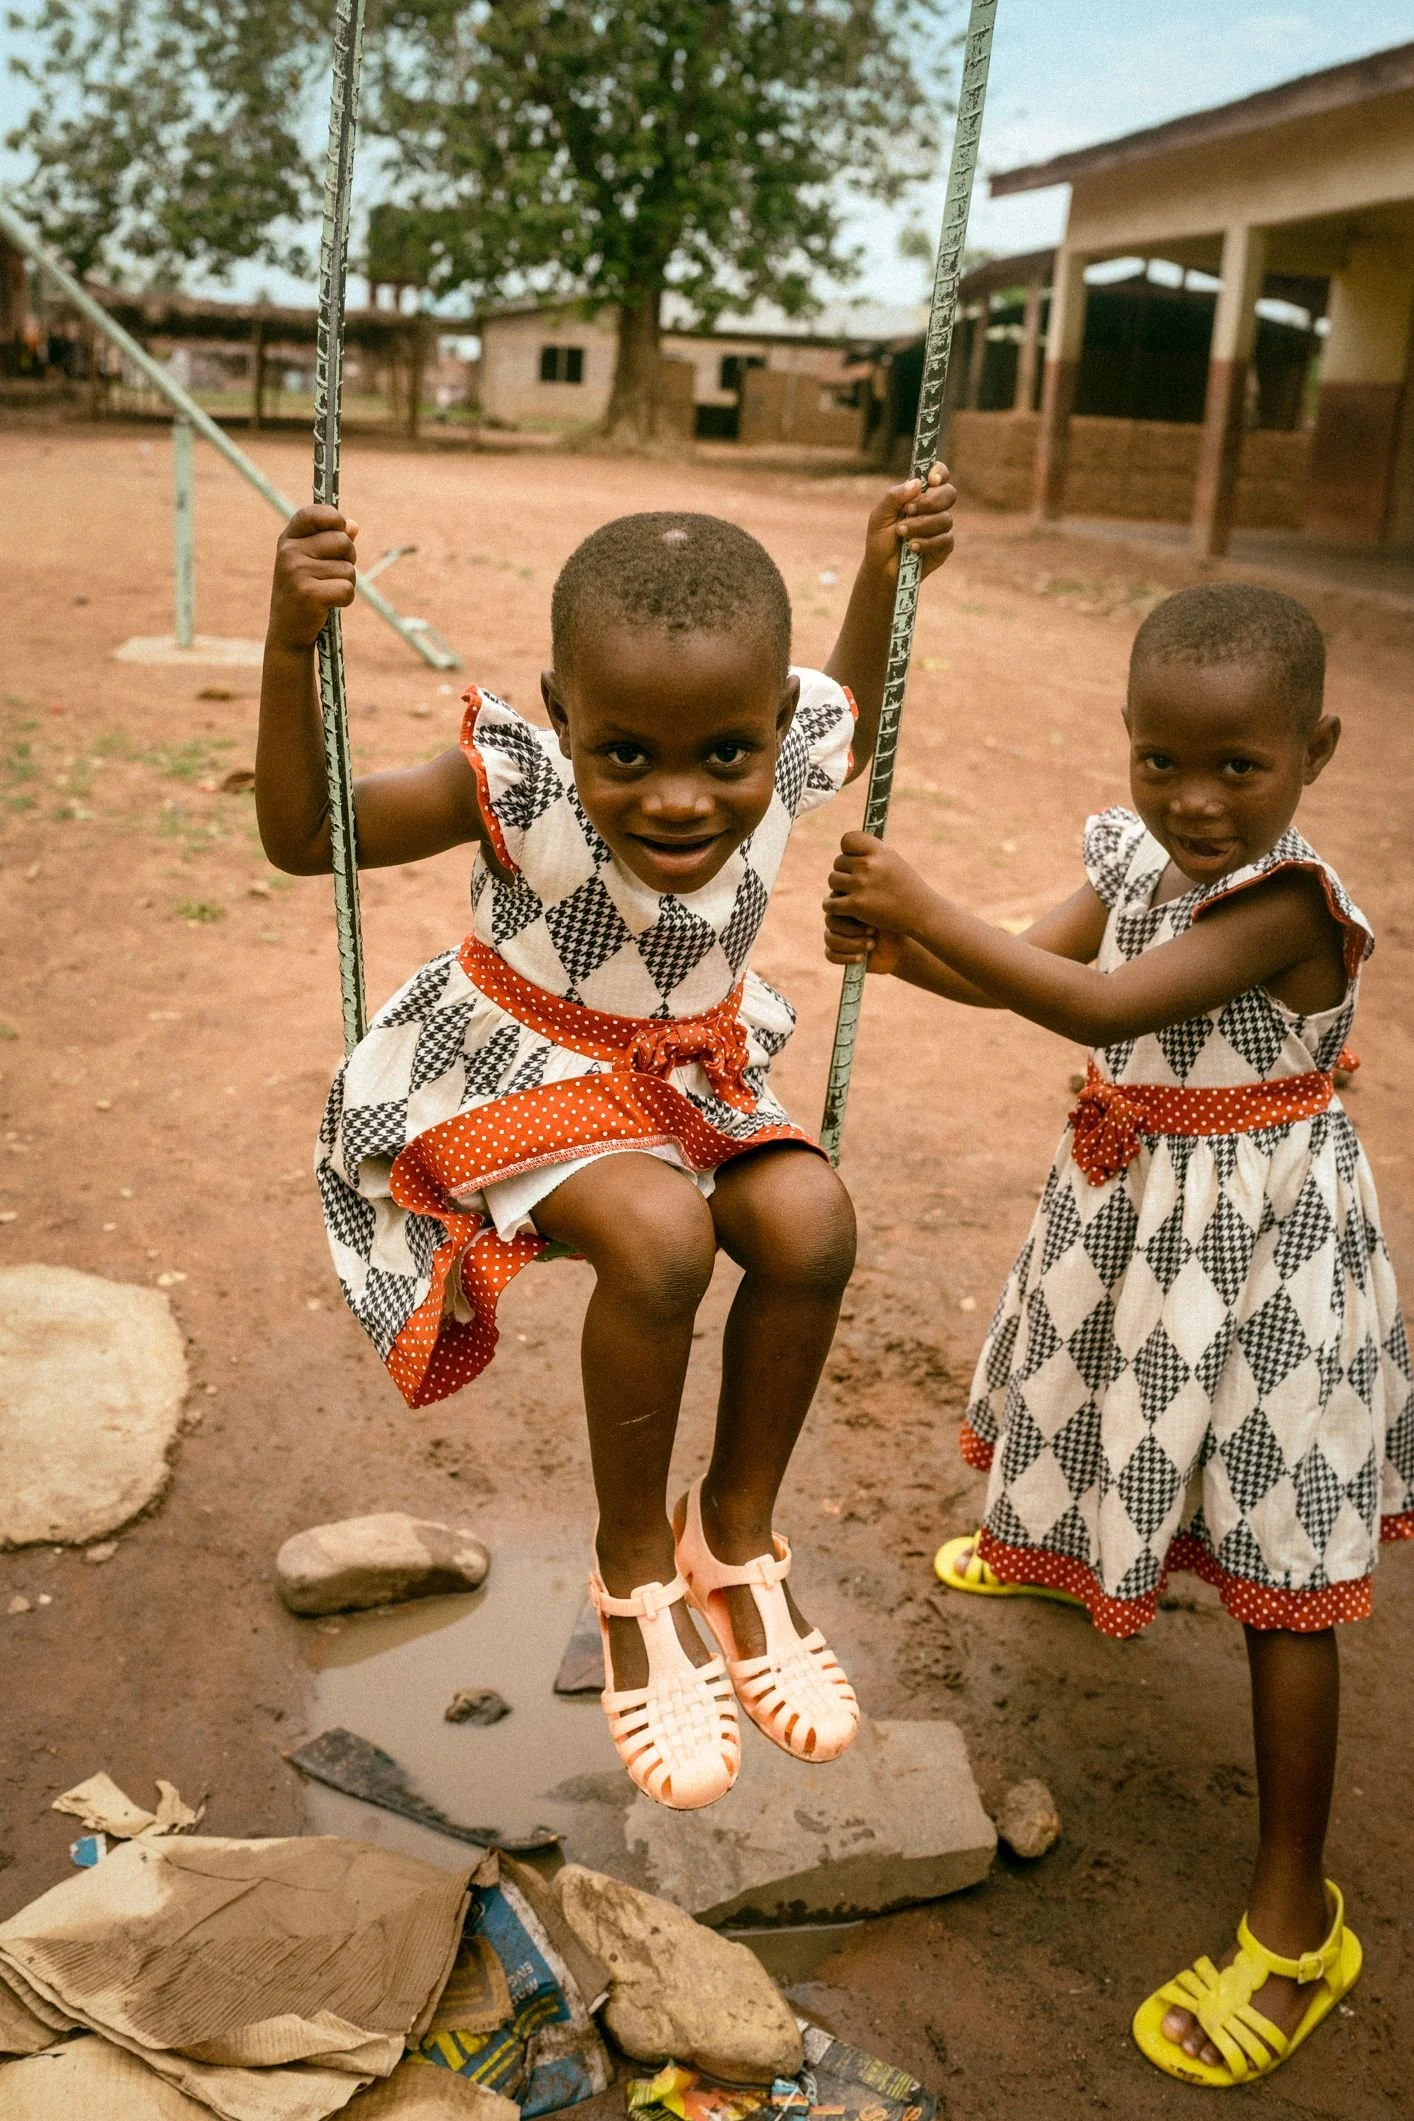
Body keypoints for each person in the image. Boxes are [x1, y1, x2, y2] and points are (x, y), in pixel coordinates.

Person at [256, 467, 956, 1813]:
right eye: (625, 754)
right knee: (659, 1235)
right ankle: (631, 1564)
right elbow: (306, 838)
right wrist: (294, 645)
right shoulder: (515, 791)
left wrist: (882, 567)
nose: (680, 800)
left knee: (812, 1223)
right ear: (562, 714)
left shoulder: (791, 746)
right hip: (512, 1069)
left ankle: (731, 1536)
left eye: (725, 757)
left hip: (686, 1078)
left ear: (769, 729)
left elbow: (848, 714)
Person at [824, 582, 1413, 2088]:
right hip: (1134, 1225)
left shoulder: (1286, 905)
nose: (1194, 802)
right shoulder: (1132, 851)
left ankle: (1294, 1919)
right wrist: (903, 954)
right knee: (1092, 1401)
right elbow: (1027, 967)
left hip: (1263, 1256)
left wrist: (921, 909)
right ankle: (1072, 1538)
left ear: (1313, 752)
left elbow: (1096, 1009)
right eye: (1162, 762)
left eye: (1238, 768)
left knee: (1284, 1549)